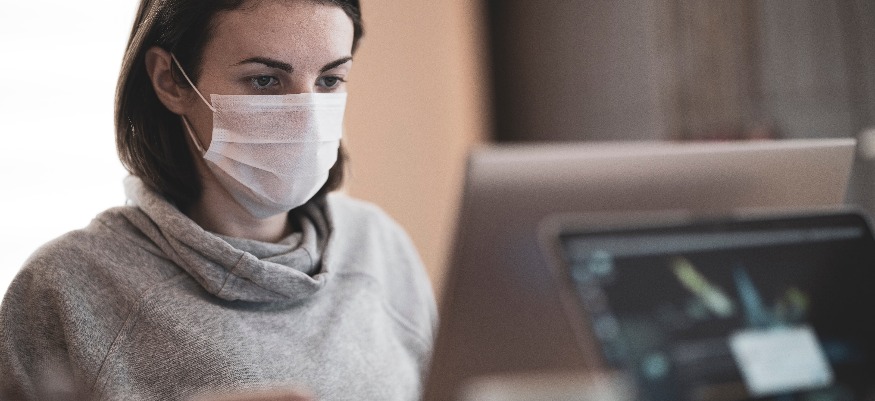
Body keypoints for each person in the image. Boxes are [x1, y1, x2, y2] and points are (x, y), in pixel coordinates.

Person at [0, 0, 437, 400]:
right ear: (170, 80)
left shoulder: (379, 248)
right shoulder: (66, 287)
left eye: (329, 80)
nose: (306, 119)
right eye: (264, 80)